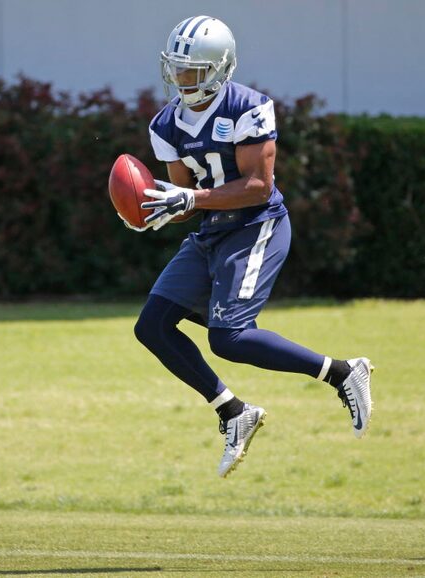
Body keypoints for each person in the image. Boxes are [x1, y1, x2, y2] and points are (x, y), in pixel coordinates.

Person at [119, 15, 373, 478]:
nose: (181, 78)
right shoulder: (165, 124)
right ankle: (234, 411)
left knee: (229, 339)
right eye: (176, 68)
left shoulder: (249, 107)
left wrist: (190, 198)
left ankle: (342, 371)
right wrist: (156, 210)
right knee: (152, 326)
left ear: (220, 68)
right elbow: (187, 200)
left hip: (258, 224)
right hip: (213, 228)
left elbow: (257, 186)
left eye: (192, 70)